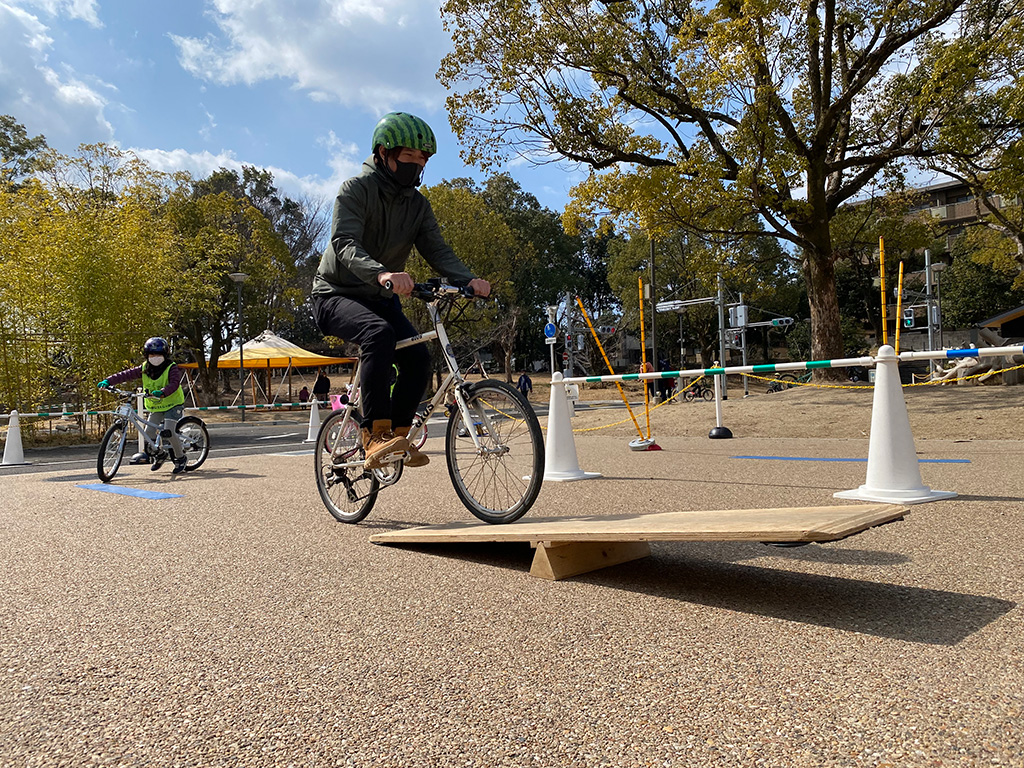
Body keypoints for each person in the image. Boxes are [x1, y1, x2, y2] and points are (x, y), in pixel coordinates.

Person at [310, 112, 491, 469]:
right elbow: (345, 243)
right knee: (379, 334)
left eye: (423, 159)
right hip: (335, 294)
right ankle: (373, 435)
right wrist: (382, 274)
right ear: (384, 154)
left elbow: (437, 250)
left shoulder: (418, 205)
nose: (418, 164)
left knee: (418, 358)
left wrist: (468, 279)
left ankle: (398, 435)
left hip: (380, 296)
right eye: (409, 156)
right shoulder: (355, 191)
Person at [97, 337, 188, 474]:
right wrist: (108, 381)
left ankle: (181, 458)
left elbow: (174, 383)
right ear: (147, 356)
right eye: (151, 355)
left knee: (168, 431)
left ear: (165, 355)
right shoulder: (145, 368)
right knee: (148, 434)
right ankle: (160, 454)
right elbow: (126, 375)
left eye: (158, 355)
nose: (154, 358)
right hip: (156, 406)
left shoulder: (171, 367)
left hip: (172, 404)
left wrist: (163, 392)